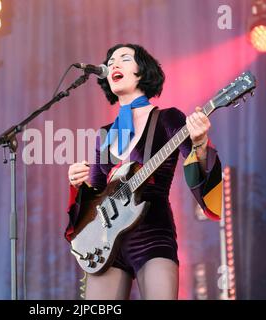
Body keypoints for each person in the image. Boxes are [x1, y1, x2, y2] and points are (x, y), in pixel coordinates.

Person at [65, 43, 223, 300]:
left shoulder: (168, 119)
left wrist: (200, 143)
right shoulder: (105, 134)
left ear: (142, 71)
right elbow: (94, 196)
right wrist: (77, 182)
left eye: (125, 58)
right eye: (111, 60)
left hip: (152, 233)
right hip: (107, 243)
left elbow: (197, 164)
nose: (114, 64)